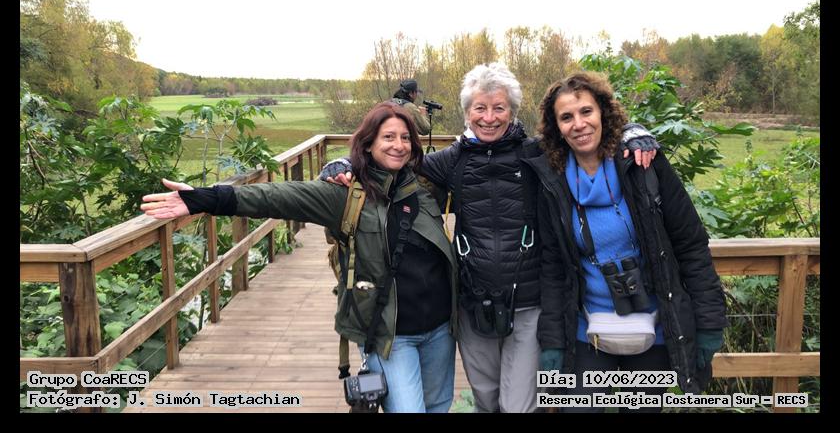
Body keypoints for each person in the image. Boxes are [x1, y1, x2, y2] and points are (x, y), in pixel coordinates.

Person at [320, 63, 660, 413]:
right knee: (486, 400)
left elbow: (584, 135)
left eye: (499, 108)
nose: (489, 118)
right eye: (480, 108)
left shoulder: (536, 154)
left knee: (519, 406)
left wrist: (632, 132)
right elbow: (392, 159)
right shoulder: (452, 161)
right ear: (467, 112)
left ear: (512, 111)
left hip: (528, 301)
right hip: (473, 302)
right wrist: (344, 164)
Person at [140, 102, 459, 413]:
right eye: (388, 137)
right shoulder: (346, 195)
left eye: (405, 138)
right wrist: (204, 199)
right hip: (391, 335)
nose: (399, 145)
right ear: (368, 144)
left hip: (440, 329)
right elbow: (279, 197)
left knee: (437, 407)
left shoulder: (424, 188)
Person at [525, 71, 728, 412]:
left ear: (603, 112)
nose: (579, 124)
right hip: (586, 332)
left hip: (654, 330)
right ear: (556, 127)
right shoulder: (552, 181)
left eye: (586, 111)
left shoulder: (643, 166)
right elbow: (553, 268)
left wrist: (709, 323)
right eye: (566, 117)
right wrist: (553, 341)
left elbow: (691, 246)